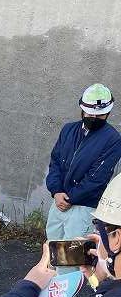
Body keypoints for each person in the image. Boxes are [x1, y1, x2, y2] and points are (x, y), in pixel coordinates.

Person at [45, 83, 121, 247]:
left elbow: (98, 178)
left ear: (107, 113)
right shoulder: (68, 130)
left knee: (73, 255)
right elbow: (55, 162)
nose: (93, 118)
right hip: (58, 201)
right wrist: (56, 191)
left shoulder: (113, 139)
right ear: (82, 109)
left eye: (99, 115)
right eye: (89, 113)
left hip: (83, 207)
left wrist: (70, 198)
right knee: (51, 249)